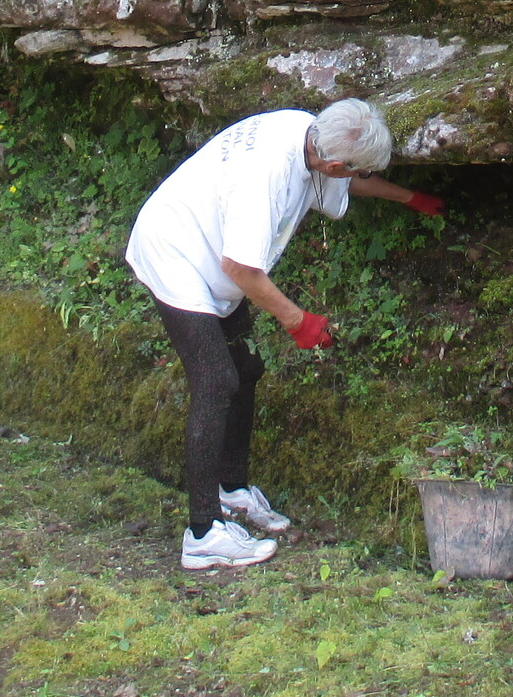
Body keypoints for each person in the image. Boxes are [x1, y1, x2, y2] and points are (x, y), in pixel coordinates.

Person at [125, 99, 444, 571]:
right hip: (175, 250)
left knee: (246, 367)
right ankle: (203, 534)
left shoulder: (310, 131)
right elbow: (242, 269)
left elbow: (351, 179)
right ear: (334, 165)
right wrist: (299, 322)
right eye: (355, 170)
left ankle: (231, 490)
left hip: (210, 245)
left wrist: (411, 198)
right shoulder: (264, 181)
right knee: (216, 382)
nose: (356, 176)